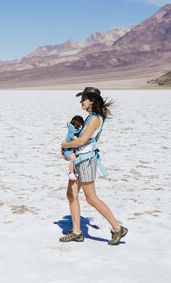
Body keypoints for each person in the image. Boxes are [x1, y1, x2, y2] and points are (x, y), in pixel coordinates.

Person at [60, 87, 128, 245]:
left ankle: (118, 228)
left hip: (86, 162)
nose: (81, 102)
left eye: (83, 99)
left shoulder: (95, 119)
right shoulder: (90, 117)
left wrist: (64, 145)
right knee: (71, 195)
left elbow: (82, 141)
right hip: (78, 160)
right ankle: (77, 232)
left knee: (91, 198)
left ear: (92, 101)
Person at [64, 115, 84, 181]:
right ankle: (71, 173)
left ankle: (73, 171)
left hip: (69, 150)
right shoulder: (71, 134)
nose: (75, 129)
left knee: (74, 159)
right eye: (74, 127)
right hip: (68, 151)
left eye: (77, 127)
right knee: (73, 158)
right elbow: (77, 140)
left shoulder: (71, 133)